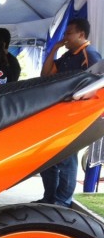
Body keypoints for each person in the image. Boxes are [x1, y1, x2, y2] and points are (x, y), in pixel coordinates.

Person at [36, 18, 102, 207]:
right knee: (48, 158)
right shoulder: (67, 56)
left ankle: (62, 201)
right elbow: (45, 74)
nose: (65, 37)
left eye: (69, 33)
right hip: (58, 114)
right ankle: (49, 198)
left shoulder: (90, 55)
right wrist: (55, 48)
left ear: (81, 34)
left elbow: (96, 85)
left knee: (66, 159)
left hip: (76, 117)